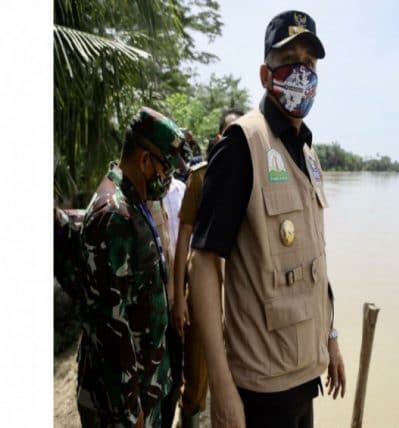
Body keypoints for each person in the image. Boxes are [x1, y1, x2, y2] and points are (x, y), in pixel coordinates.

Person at [188, 10, 346, 428]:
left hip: (303, 374)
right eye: (289, 59)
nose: (301, 71)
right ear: (265, 73)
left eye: (309, 63)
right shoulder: (243, 144)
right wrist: (220, 388)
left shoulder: (309, 155)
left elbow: (316, 258)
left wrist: (331, 338)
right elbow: (202, 264)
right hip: (259, 387)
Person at [76, 107, 183, 427]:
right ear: (144, 160)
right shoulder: (114, 215)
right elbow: (110, 324)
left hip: (144, 389)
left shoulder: (133, 202)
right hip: (122, 406)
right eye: (165, 166)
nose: (169, 176)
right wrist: (129, 411)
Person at [171, 108, 245, 428]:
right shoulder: (201, 177)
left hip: (240, 294)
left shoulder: (252, 176)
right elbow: (184, 238)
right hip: (205, 291)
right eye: (229, 132)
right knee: (196, 381)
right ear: (218, 138)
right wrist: (178, 297)